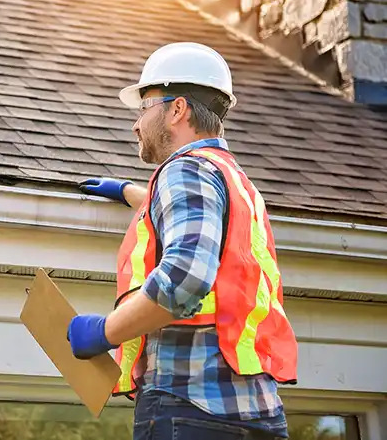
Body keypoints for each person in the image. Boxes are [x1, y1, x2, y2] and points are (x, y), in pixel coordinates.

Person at [66, 42, 299, 440]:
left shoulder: (185, 171)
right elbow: (206, 225)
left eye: (143, 108)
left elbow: (185, 277)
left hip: (191, 405)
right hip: (253, 410)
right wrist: (134, 195)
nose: (136, 124)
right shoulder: (233, 179)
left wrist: (105, 331)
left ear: (177, 109)